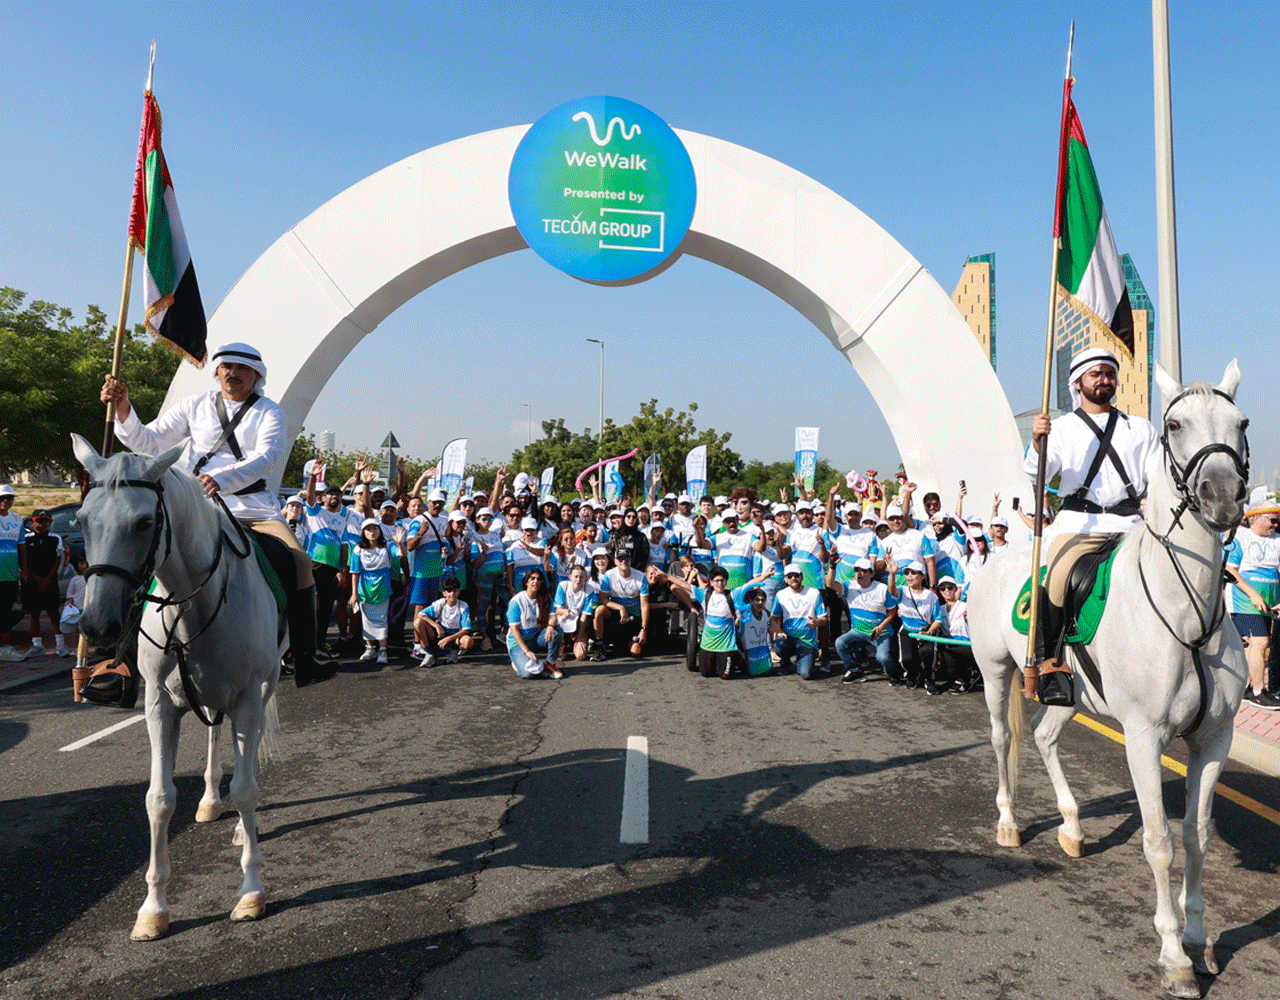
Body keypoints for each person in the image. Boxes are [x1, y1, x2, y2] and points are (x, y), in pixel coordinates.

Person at [98, 343, 331, 696]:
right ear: (217, 371)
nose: (233, 373)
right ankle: (123, 666)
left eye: (242, 368)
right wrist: (123, 408)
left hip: (251, 509)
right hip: (195, 508)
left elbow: (267, 457)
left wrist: (222, 479)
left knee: (299, 561)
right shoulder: (194, 405)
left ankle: (307, 655)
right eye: (227, 367)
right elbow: (149, 443)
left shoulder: (270, 412)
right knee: (146, 557)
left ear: (257, 376)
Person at [1025, 345, 1160, 705]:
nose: (1104, 379)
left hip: (1132, 525)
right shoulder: (1060, 428)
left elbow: (1159, 477)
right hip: (1080, 525)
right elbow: (1037, 474)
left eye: (1109, 373)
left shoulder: (1141, 428)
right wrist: (1038, 441)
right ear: (1077, 383)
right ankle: (1051, 665)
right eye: (1095, 374)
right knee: (1056, 578)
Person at [1225, 495, 1280, 710]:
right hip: (1244, 600)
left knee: (1256, 646)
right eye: (1272, 520)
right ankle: (1259, 691)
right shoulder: (1241, 537)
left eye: (1277, 521)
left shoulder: (1277, 540)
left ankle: (1247, 688)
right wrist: (1253, 595)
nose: (1275, 525)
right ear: (1256, 518)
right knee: (1260, 642)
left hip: (1269, 603)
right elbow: (1229, 570)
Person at [830, 557, 897, 683]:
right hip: (858, 632)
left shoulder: (883, 589)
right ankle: (855, 671)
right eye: (856, 570)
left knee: (883, 658)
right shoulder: (849, 586)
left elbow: (892, 612)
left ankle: (893, 674)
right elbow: (830, 584)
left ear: (872, 574)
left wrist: (881, 627)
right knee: (839, 643)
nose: (859, 573)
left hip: (881, 633)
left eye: (864, 570)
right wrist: (832, 567)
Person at [886, 554, 946, 692]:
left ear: (922, 576)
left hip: (926, 631)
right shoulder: (902, 591)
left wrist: (928, 632)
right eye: (907, 573)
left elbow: (938, 619)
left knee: (927, 653)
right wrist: (892, 574)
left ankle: (929, 679)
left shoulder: (931, 596)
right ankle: (912, 675)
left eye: (913, 573)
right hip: (908, 630)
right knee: (907, 659)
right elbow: (891, 591)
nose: (909, 576)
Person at [770, 562, 828, 680]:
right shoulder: (780, 595)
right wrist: (774, 625)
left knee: (806, 674)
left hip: (807, 641)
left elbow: (824, 619)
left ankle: (806, 660)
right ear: (785, 579)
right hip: (789, 638)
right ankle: (787, 663)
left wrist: (817, 622)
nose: (793, 578)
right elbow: (773, 617)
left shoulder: (814, 593)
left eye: (796, 575)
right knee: (778, 644)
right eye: (790, 576)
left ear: (801, 577)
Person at [349, 518, 392, 665]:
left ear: (380, 531)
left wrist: (400, 544)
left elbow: (401, 553)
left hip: (383, 588)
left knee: (382, 619)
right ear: (363, 532)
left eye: (375, 528)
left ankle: (383, 649)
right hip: (365, 590)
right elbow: (355, 572)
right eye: (368, 529)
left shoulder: (387, 546)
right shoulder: (358, 549)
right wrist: (354, 594)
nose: (372, 532)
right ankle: (370, 648)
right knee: (366, 620)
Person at [506, 567, 562, 679]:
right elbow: (514, 630)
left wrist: (550, 626)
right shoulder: (516, 601)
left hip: (534, 639)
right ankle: (519, 662)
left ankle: (550, 664)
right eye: (532, 578)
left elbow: (553, 616)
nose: (535, 581)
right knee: (529, 674)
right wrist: (527, 651)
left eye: (539, 579)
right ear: (526, 582)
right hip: (517, 644)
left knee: (557, 631)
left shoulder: (545, 597)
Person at [594, 550, 650, 659]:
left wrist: (644, 629)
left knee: (636, 652)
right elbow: (603, 599)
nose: (624, 561)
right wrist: (620, 608)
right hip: (616, 614)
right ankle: (599, 645)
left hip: (633, 618)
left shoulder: (641, 576)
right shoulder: (609, 575)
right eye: (620, 559)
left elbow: (645, 605)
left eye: (626, 558)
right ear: (615, 561)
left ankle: (623, 644)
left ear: (631, 560)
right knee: (600, 610)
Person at [688, 565, 739, 679]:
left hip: (726, 646)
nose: (720, 583)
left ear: (726, 582)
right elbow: (684, 585)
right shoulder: (705, 594)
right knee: (706, 674)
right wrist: (666, 576)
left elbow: (749, 584)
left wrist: (765, 576)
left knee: (725, 676)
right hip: (708, 645)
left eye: (722, 580)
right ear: (711, 582)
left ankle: (737, 656)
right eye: (717, 581)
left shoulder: (731, 595)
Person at [415, 576, 475, 667]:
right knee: (417, 622)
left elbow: (466, 629)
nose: (452, 594)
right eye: (449, 591)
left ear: (459, 592)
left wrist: (448, 639)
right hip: (440, 634)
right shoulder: (441, 603)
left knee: (468, 642)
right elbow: (420, 614)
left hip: (455, 637)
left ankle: (454, 650)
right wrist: (436, 626)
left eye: (455, 591)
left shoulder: (463, 605)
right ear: (444, 593)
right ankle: (429, 654)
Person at [0, 485, 25, 660]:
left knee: (6, 611)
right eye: (2, 498)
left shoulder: (17, 519)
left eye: (9, 498)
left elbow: (21, 545)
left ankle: (6, 649)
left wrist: (25, 568)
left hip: (9, 572)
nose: (5, 501)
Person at [553, 563, 598, 662]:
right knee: (553, 618)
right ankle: (562, 642)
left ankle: (577, 639)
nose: (578, 580)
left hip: (579, 622)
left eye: (581, 577)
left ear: (585, 578)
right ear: (570, 577)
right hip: (564, 619)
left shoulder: (589, 589)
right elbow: (557, 610)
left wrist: (580, 635)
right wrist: (564, 611)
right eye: (576, 577)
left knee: (580, 655)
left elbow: (585, 615)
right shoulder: (563, 586)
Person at [59, 555, 90, 658]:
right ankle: (79, 649)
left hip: (88, 608)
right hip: (78, 608)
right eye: (81, 563)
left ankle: (86, 650)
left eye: (85, 563)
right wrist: (69, 601)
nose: (83, 566)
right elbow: (70, 593)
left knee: (87, 630)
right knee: (78, 630)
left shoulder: (91, 578)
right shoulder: (75, 579)